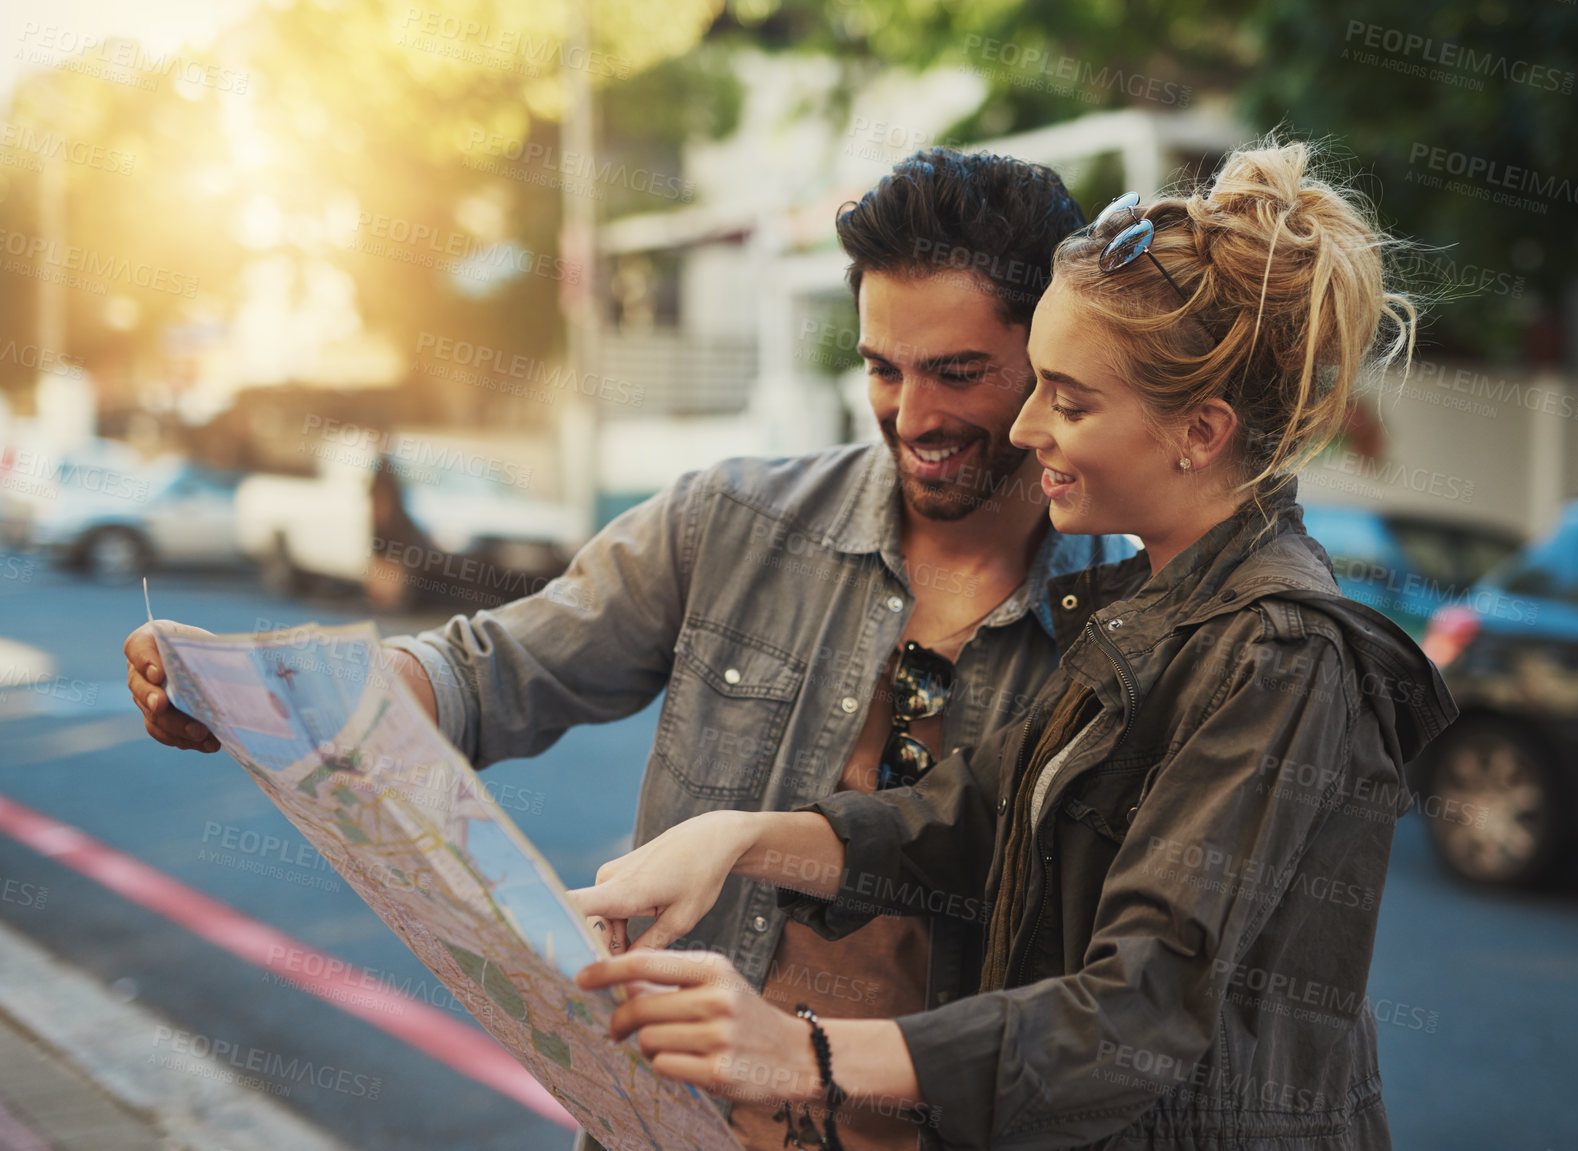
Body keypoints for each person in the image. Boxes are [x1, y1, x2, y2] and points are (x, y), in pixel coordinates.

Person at [121, 148, 1138, 1151]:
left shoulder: (1137, 621)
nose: (911, 416)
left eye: (956, 373)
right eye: (882, 368)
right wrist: (270, 683)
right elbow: (491, 669)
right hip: (666, 1123)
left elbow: (1125, 998)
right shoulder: (731, 520)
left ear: (1049, 359)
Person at [570, 139, 1459, 1151]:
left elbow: (1136, 1010)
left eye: (1069, 399)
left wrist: (800, 1053)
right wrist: (727, 837)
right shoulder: (1151, 607)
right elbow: (968, 819)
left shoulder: (1277, 654)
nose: (1027, 426)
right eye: (1034, 383)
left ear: (1201, 430)